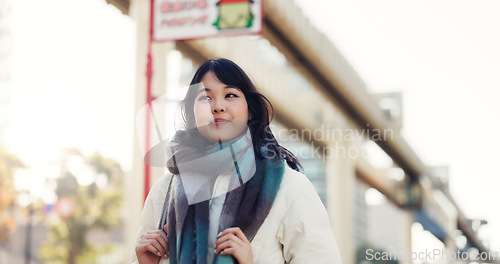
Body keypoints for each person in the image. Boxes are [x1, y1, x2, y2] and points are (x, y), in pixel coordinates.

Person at [132, 58, 341, 264]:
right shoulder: (164, 190)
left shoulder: (289, 187)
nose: (218, 106)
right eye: (205, 97)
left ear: (250, 110)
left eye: (230, 95)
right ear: (192, 112)